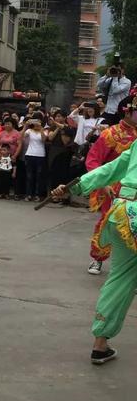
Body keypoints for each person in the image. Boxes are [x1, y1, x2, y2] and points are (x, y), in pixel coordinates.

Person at [52, 109, 137, 364]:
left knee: (120, 278)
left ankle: (100, 344)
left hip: (122, 211)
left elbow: (110, 170)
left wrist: (73, 186)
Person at [84, 94, 137, 275]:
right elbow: (93, 160)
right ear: (127, 112)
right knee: (108, 222)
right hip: (114, 189)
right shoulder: (111, 134)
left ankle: (131, 268)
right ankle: (97, 258)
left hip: (135, 187)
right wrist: (103, 184)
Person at [20, 118, 47, 202]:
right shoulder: (29, 131)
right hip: (29, 154)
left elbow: (43, 139)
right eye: (34, 122)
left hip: (40, 155)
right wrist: (25, 126)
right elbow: (20, 137)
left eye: (37, 122)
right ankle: (28, 194)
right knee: (29, 176)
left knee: (39, 176)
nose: (36, 124)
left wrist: (41, 128)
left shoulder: (45, 131)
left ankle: (37, 195)